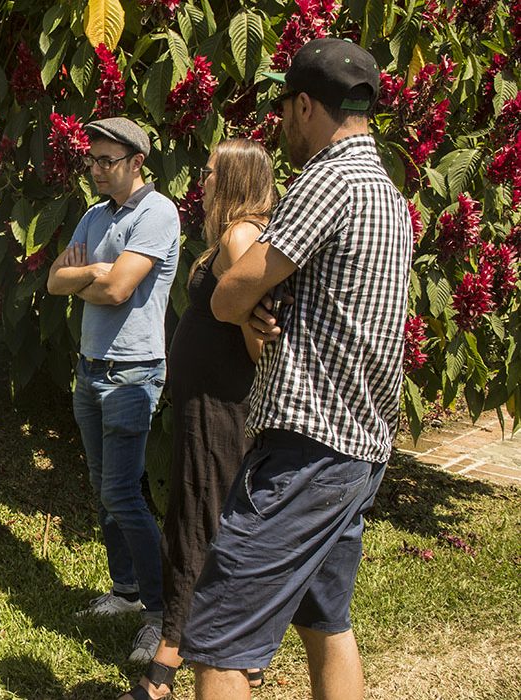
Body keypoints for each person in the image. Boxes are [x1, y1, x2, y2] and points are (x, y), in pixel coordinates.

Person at [178, 38, 413, 700]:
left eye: (286, 111)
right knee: (324, 622)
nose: (282, 126)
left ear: (306, 105)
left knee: (219, 640)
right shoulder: (389, 196)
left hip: (306, 450)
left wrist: (246, 306)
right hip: (361, 448)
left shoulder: (329, 180)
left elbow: (228, 294)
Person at [120, 139, 278, 700]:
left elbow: (261, 342)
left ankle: (174, 650)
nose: (203, 181)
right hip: (201, 404)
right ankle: (213, 643)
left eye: (211, 173)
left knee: (200, 517)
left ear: (234, 180)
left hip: (221, 408)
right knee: (195, 511)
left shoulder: (242, 237)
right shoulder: (228, 238)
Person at [46, 116, 181, 664]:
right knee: (105, 488)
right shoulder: (94, 215)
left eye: (108, 161)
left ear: (136, 163)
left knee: (123, 493)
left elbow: (121, 288)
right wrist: (92, 274)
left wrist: (95, 275)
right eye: (93, 160)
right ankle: (125, 591)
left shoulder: (158, 212)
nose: (97, 170)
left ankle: (160, 613)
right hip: (91, 366)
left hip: (132, 371)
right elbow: (55, 280)